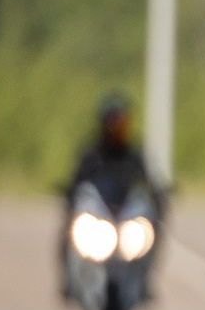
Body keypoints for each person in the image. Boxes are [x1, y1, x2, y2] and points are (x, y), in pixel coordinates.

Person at [60, 94, 164, 286]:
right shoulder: (91, 155)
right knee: (68, 226)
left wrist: (158, 196)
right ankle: (67, 277)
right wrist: (69, 194)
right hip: (98, 218)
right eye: (113, 121)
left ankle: (146, 279)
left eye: (122, 121)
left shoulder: (134, 156)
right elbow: (76, 185)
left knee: (154, 226)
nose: (117, 127)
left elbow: (150, 184)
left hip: (126, 220)